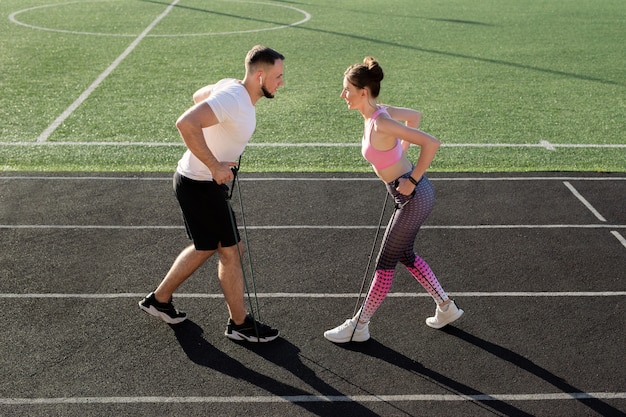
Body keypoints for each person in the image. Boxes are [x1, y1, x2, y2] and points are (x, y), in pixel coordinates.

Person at [139, 45, 285, 343]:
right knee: (230, 250)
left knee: (212, 247)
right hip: (198, 184)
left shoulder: (232, 90)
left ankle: (160, 299)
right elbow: (186, 122)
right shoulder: (234, 98)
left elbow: (198, 97)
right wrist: (214, 163)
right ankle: (240, 325)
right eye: (277, 76)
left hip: (200, 183)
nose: (281, 82)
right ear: (260, 76)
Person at [324, 57, 463, 343]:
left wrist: (411, 181)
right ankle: (446, 307)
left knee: (385, 263)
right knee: (405, 255)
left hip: (415, 196)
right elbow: (415, 115)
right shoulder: (378, 115)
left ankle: (358, 326)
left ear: (363, 92)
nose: (342, 95)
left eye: (347, 89)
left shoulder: (382, 123)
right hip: (406, 196)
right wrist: (400, 152)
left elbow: (432, 142)